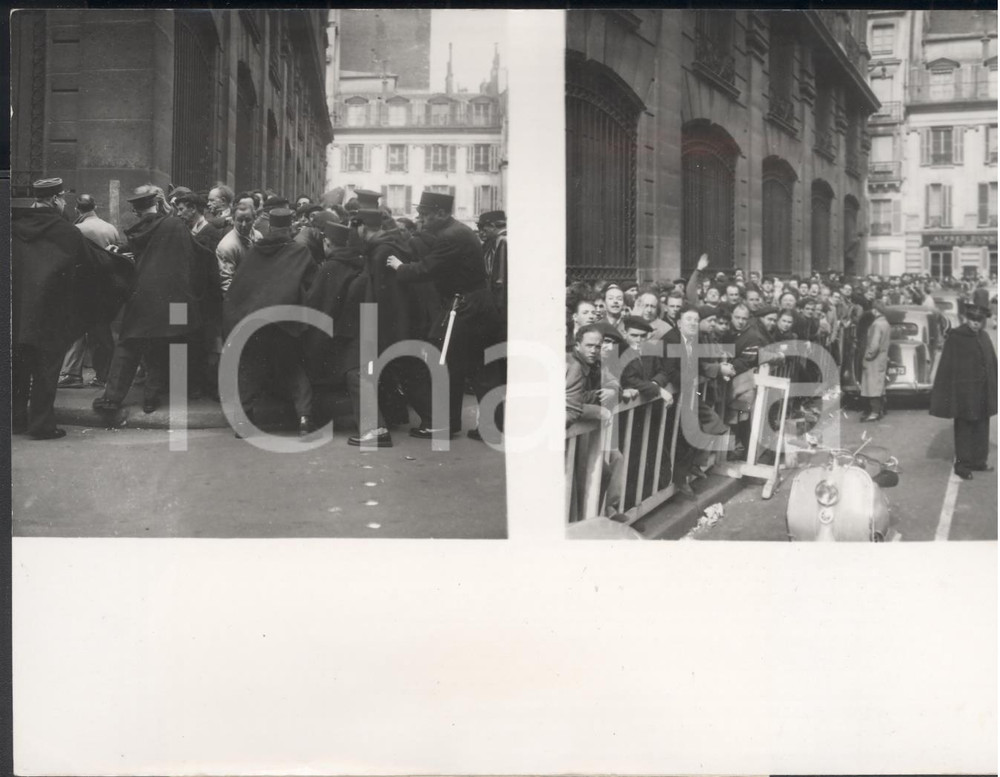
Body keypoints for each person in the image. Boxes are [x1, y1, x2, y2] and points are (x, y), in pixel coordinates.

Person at [14, 178, 125, 439]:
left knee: (16, 370)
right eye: (62, 198)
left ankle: (15, 421)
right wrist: (116, 259)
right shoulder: (67, 233)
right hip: (50, 316)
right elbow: (92, 268)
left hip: (16, 314)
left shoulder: (12, 227)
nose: (64, 203)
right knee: (45, 372)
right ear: (54, 200)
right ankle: (41, 426)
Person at [389, 191, 504, 440]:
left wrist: (400, 267)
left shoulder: (450, 236)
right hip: (477, 304)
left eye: (424, 214)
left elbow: (426, 268)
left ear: (441, 213)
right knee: (480, 368)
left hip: (465, 306)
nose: (421, 219)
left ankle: (444, 424)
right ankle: (490, 425)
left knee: (447, 364)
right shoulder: (457, 231)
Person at [93, 184, 215, 415]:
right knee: (167, 342)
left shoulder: (136, 231)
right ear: (158, 203)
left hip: (142, 296)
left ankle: (111, 398)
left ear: (137, 211)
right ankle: (151, 397)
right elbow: (195, 256)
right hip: (176, 298)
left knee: (129, 344)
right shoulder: (175, 224)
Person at [224, 209, 318, 437]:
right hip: (284, 323)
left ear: (270, 227)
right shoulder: (299, 252)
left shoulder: (255, 251)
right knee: (293, 368)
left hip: (254, 322)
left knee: (251, 368)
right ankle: (304, 419)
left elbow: (240, 285)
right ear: (290, 227)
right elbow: (311, 288)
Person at [57, 193, 122, 389]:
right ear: (95, 207)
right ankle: (104, 375)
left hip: (81, 288)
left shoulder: (76, 229)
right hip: (105, 288)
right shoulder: (110, 228)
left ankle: (72, 374)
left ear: (78, 209)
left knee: (75, 330)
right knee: (101, 332)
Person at [929, 305, 998, 479]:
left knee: (982, 426)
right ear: (967, 319)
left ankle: (978, 461)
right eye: (973, 320)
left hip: (982, 393)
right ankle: (963, 465)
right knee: (965, 428)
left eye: (979, 321)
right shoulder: (956, 337)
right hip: (964, 393)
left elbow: (992, 361)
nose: (976, 324)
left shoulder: (984, 336)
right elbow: (948, 366)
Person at [216, 203, 262, 296]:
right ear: (233, 220)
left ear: (254, 219)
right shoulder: (227, 246)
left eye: (248, 220)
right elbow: (226, 283)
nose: (244, 225)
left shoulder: (258, 236)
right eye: (240, 220)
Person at [859, 302, 891, 422]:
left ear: (875, 310)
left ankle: (874, 412)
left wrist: (867, 356)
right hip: (882, 358)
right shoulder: (886, 323)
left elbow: (874, 345)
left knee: (872, 386)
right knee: (879, 384)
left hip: (874, 359)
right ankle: (880, 409)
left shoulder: (876, 324)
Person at [478, 210, 507, 315]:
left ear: (492, 226)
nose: (482, 232)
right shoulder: (496, 240)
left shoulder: (502, 240)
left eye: (484, 229)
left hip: (498, 302)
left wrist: (497, 305)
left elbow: (500, 279)